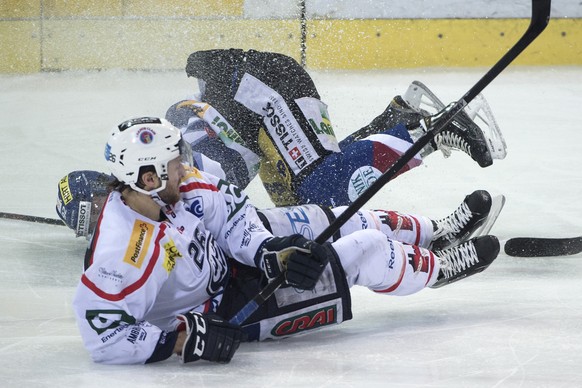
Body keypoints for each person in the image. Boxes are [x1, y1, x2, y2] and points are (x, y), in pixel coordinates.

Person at [71, 116, 500, 365]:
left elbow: (232, 215)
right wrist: (182, 338)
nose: (184, 166)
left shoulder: (179, 186)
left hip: (234, 257)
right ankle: (440, 269)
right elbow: (103, 335)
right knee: (367, 250)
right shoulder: (123, 250)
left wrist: (267, 250)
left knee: (342, 219)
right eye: (174, 162)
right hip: (233, 308)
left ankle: (437, 232)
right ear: (149, 178)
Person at [168, 48, 505, 207]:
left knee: (318, 191)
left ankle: (431, 131)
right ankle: (398, 122)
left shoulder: (180, 168)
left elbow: (219, 186)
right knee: (307, 212)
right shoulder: (165, 173)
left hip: (252, 89)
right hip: (252, 107)